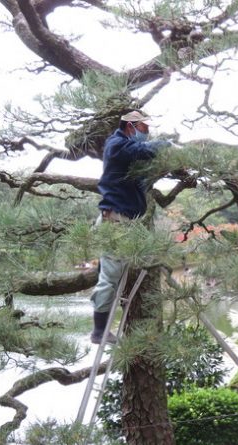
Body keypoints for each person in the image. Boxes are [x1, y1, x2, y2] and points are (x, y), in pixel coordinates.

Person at [89, 110, 171, 344]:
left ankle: (101, 328)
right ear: (131, 126)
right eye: (145, 129)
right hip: (115, 220)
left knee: (113, 272)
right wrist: (165, 144)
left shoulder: (126, 149)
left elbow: (144, 159)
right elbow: (143, 150)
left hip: (123, 220)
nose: (147, 133)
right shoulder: (117, 144)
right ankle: (99, 332)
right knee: (110, 277)